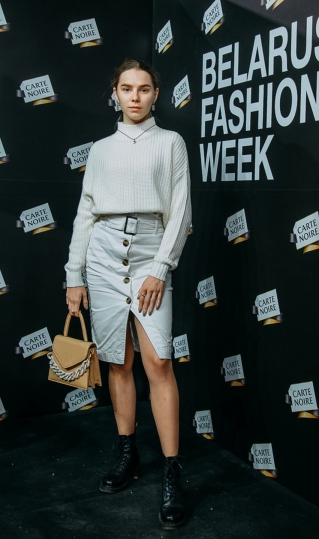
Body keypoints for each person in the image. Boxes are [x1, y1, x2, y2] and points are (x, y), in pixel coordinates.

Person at [64, 59, 191, 530]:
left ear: (156, 94)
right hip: (100, 258)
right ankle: (126, 451)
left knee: (159, 362)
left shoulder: (171, 142)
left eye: (143, 88)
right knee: (118, 361)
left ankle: (172, 471)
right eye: (126, 88)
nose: (135, 97)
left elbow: (180, 209)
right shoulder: (100, 150)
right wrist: (73, 274)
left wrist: (160, 267)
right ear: (114, 93)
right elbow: (85, 213)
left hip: (149, 256)